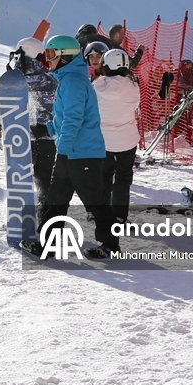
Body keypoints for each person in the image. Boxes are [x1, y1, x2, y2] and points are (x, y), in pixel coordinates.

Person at [36, 34, 117, 258]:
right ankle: (48, 245)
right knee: (56, 200)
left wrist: (62, 154)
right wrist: (47, 129)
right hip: (72, 152)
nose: (47, 60)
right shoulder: (69, 80)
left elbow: (74, 120)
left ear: (64, 56)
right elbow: (65, 120)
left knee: (94, 202)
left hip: (81, 155)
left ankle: (111, 245)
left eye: (51, 54)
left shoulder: (72, 82)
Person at [93, 49, 140, 234]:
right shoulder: (133, 85)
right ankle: (120, 216)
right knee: (123, 178)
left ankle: (102, 215)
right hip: (128, 139)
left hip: (104, 140)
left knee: (104, 177)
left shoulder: (98, 86)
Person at [11, 37, 58, 202]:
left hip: (19, 135)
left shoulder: (12, 78)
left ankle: (18, 211)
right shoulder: (52, 77)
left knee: (19, 176)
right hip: (47, 135)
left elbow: (2, 107)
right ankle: (42, 212)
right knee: (44, 178)